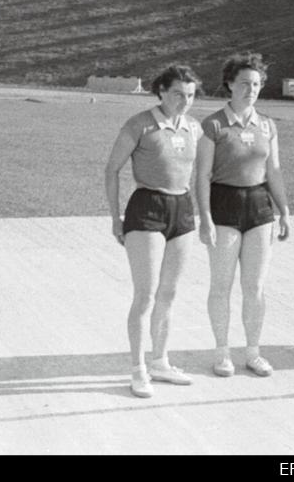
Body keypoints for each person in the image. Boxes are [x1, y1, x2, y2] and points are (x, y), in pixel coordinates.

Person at [105, 65, 204, 398]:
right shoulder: (140, 124)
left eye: (190, 95)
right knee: (145, 295)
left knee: (169, 293)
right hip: (146, 208)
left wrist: (203, 214)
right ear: (161, 91)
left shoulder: (194, 127)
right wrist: (115, 218)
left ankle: (160, 360)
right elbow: (112, 169)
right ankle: (138, 369)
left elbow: (200, 174)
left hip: (182, 210)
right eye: (178, 93)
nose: (184, 101)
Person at [195, 52, 290, 378]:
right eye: (245, 84)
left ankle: (253, 352)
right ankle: (223, 352)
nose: (251, 89)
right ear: (230, 85)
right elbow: (201, 176)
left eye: (257, 84)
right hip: (224, 207)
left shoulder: (267, 125)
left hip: (260, 208)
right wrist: (205, 217)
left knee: (255, 287)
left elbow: (274, 170)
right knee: (221, 285)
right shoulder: (214, 125)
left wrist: (285, 211)